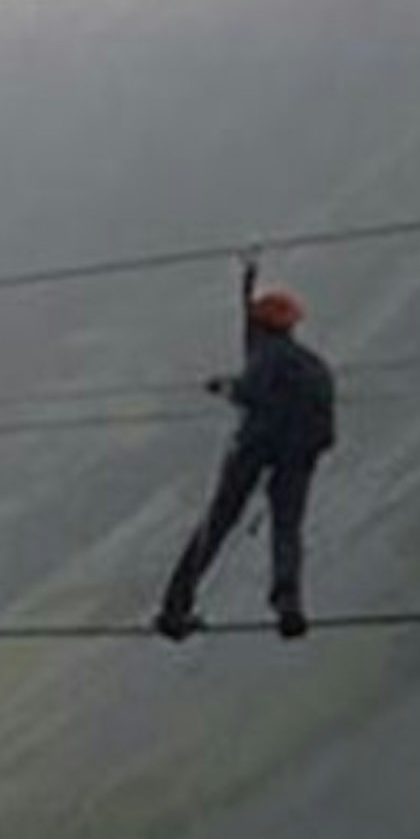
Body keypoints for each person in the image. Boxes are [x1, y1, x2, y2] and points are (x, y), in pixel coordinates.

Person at [154, 264, 337, 642]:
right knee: (287, 527)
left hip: (256, 447)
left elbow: (250, 388)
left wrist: (223, 387)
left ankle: (176, 607)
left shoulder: (266, 355)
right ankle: (289, 605)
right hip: (299, 454)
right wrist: (248, 281)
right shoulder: (311, 365)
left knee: (217, 523)